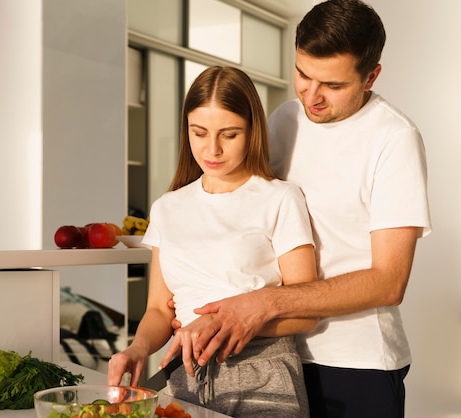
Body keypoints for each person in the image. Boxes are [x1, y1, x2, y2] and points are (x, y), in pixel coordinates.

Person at [160, 1, 432, 417]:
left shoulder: (394, 139)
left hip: (356, 361)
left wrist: (262, 303)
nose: (312, 95)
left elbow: (388, 281)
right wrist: (206, 305)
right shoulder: (285, 118)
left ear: (370, 76)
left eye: (333, 85)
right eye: (303, 74)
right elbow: (247, 212)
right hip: (271, 354)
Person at [107, 66, 318, 417]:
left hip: (262, 377)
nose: (213, 149)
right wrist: (139, 347)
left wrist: (224, 324)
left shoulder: (280, 198)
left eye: (230, 134)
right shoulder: (168, 207)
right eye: (199, 132)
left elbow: (306, 313)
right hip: (183, 379)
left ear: (252, 131)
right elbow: (160, 309)